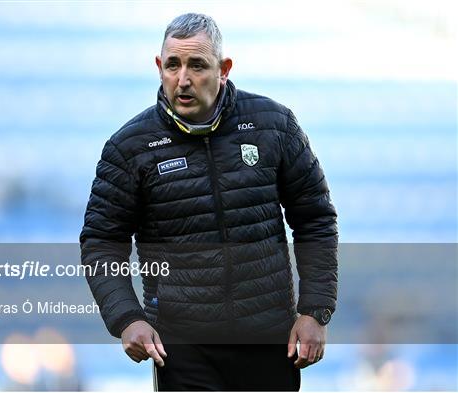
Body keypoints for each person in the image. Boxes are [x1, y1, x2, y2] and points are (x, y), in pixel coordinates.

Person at [80, 13, 338, 391]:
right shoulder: (129, 147)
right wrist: (127, 318)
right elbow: (102, 242)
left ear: (224, 69)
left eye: (197, 65)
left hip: (268, 338)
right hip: (183, 348)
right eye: (173, 65)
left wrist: (315, 311)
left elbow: (315, 218)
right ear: (159, 67)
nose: (183, 79)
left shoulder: (274, 125)